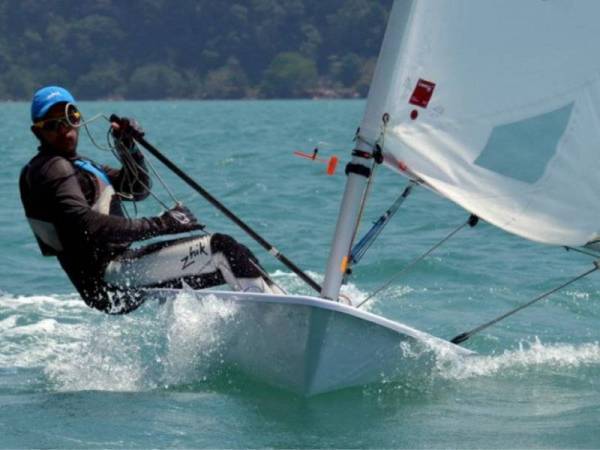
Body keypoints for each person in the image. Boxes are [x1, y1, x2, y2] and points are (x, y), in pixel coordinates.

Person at [20, 86, 281, 314]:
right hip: (112, 279)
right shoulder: (51, 169)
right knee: (224, 248)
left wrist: (129, 148)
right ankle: (279, 320)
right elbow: (85, 224)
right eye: (53, 125)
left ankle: (264, 320)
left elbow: (136, 188)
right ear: (37, 132)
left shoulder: (78, 165)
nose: (65, 129)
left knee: (238, 257)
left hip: (121, 274)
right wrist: (163, 224)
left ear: (78, 117)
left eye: (70, 116)